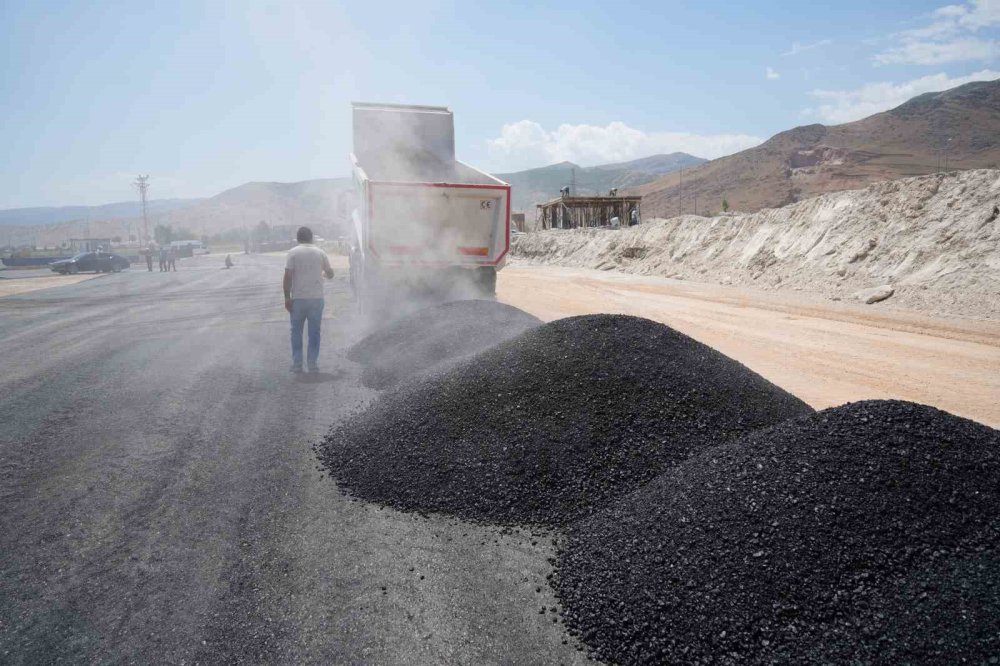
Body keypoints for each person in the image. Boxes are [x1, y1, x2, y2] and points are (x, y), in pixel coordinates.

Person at [283, 226, 334, 373]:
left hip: (298, 299)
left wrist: (287, 297)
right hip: (316, 299)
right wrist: (326, 274)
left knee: (296, 332)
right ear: (311, 238)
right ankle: (312, 364)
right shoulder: (321, 253)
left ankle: (297, 364)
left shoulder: (292, 253)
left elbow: (288, 276)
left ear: (298, 238)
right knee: (314, 332)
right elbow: (330, 274)